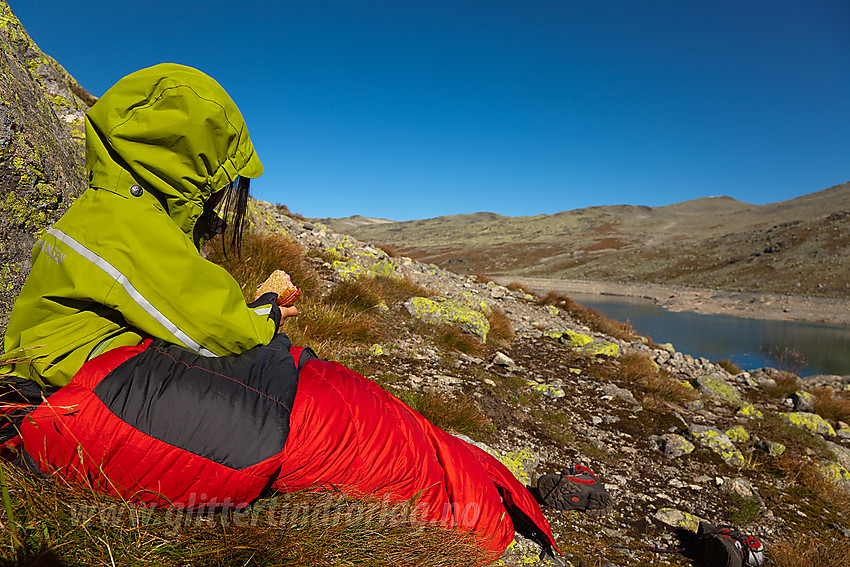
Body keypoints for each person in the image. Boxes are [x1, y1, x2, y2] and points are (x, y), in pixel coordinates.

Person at [0, 64, 564, 563]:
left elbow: (186, 315)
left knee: (335, 402)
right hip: (74, 399)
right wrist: (266, 307)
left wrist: (256, 316)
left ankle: (484, 494)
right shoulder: (118, 226)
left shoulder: (119, 216)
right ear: (185, 161)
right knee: (340, 425)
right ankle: (482, 519)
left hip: (89, 382)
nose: (225, 199)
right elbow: (223, 334)